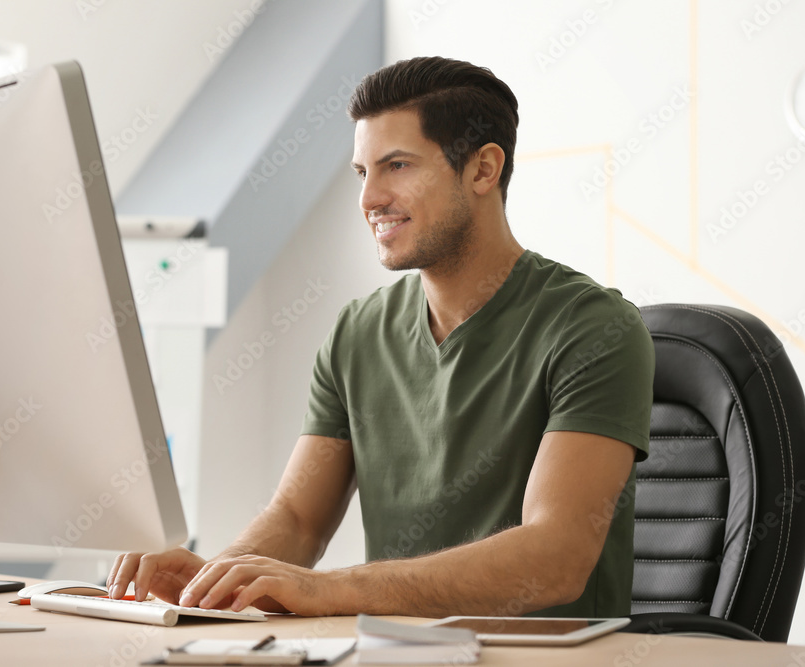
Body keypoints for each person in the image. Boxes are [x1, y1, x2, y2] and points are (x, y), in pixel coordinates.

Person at [107, 56, 654, 619]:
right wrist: (219, 579)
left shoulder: (595, 328)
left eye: (397, 165)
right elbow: (297, 518)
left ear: (484, 169)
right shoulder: (357, 333)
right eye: (362, 173)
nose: (369, 200)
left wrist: (331, 589)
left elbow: (556, 555)